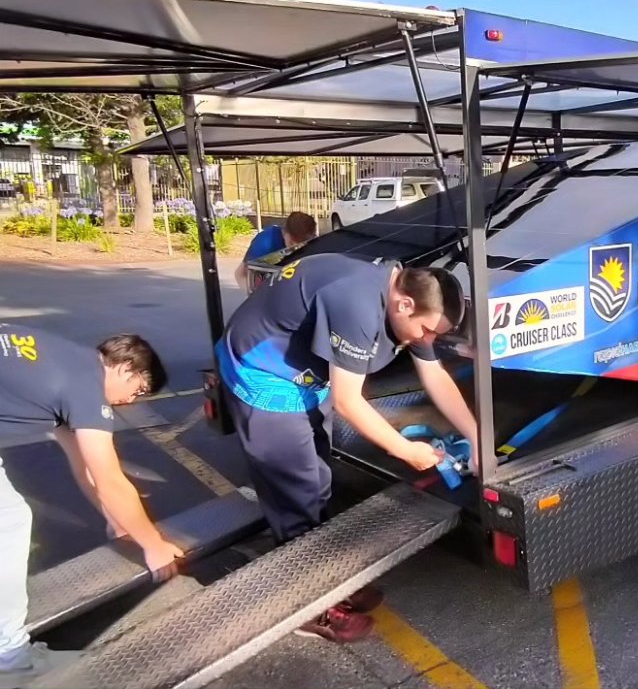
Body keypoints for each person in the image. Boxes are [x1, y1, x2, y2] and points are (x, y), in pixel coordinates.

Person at [215, 252, 478, 642]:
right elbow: (349, 402)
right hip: (263, 377)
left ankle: (326, 579)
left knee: (317, 481)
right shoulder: (356, 303)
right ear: (404, 304)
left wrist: (475, 437)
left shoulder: (407, 295)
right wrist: (408, 452)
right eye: (427, 331)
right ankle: (307, 608)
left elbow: (434, 374)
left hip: (300, 375)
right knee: (296, 492)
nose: (428, 341)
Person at [0, 327, 183, 688]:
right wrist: (153, 545)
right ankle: (12, 660)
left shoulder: (68, 361)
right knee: (9, 521)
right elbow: (111, 478)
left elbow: (85, 466)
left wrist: (116, 520)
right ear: (125, 368)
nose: (132, 401)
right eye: (140, 390)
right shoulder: (86, 383)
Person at [234, 211, 318, 291]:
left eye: (302, 243)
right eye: (292, 242)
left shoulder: (313, 243)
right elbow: (241, 274)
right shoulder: (266, 241)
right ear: (286, 233)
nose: (296, 247)